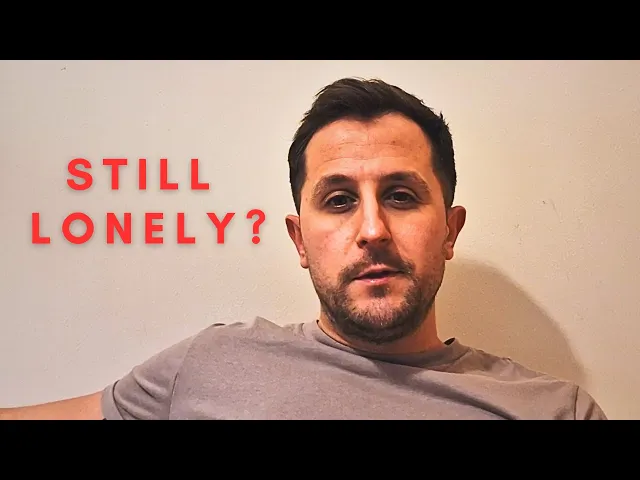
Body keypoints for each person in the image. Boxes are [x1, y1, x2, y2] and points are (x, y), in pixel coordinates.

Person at [0, 77, 607, 420]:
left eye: (400, 196)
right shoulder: (209, 365)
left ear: (449, 231)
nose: (372, 229)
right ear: (299, 240)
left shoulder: (555, 410)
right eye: (339, 200)